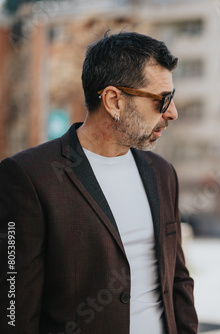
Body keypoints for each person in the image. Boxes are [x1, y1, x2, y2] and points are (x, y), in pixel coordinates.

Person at [0, 31, 198, 333]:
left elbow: (178, 279)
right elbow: (13, 305)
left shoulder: (162, 173)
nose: (172, 112)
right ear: (113, 100)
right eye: (162, 100)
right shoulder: (28, 176)